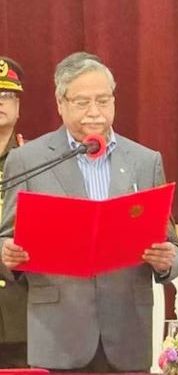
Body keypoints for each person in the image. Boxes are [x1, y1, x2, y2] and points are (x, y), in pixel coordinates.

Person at [0, 52, 178, 372]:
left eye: (103, 100)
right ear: (61, 103)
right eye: (82, 102)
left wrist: (167, 260)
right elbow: (5, 238)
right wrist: (7, 254)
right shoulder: (29, 160)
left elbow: (176, 250)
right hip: (57, 334)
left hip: (128, 333)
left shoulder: (144, 161)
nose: (94, 112)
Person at [0, 56, 28, 368]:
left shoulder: (36, 161)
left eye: (7, 96)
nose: (0, 102)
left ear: (18, 107)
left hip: (22, 310)